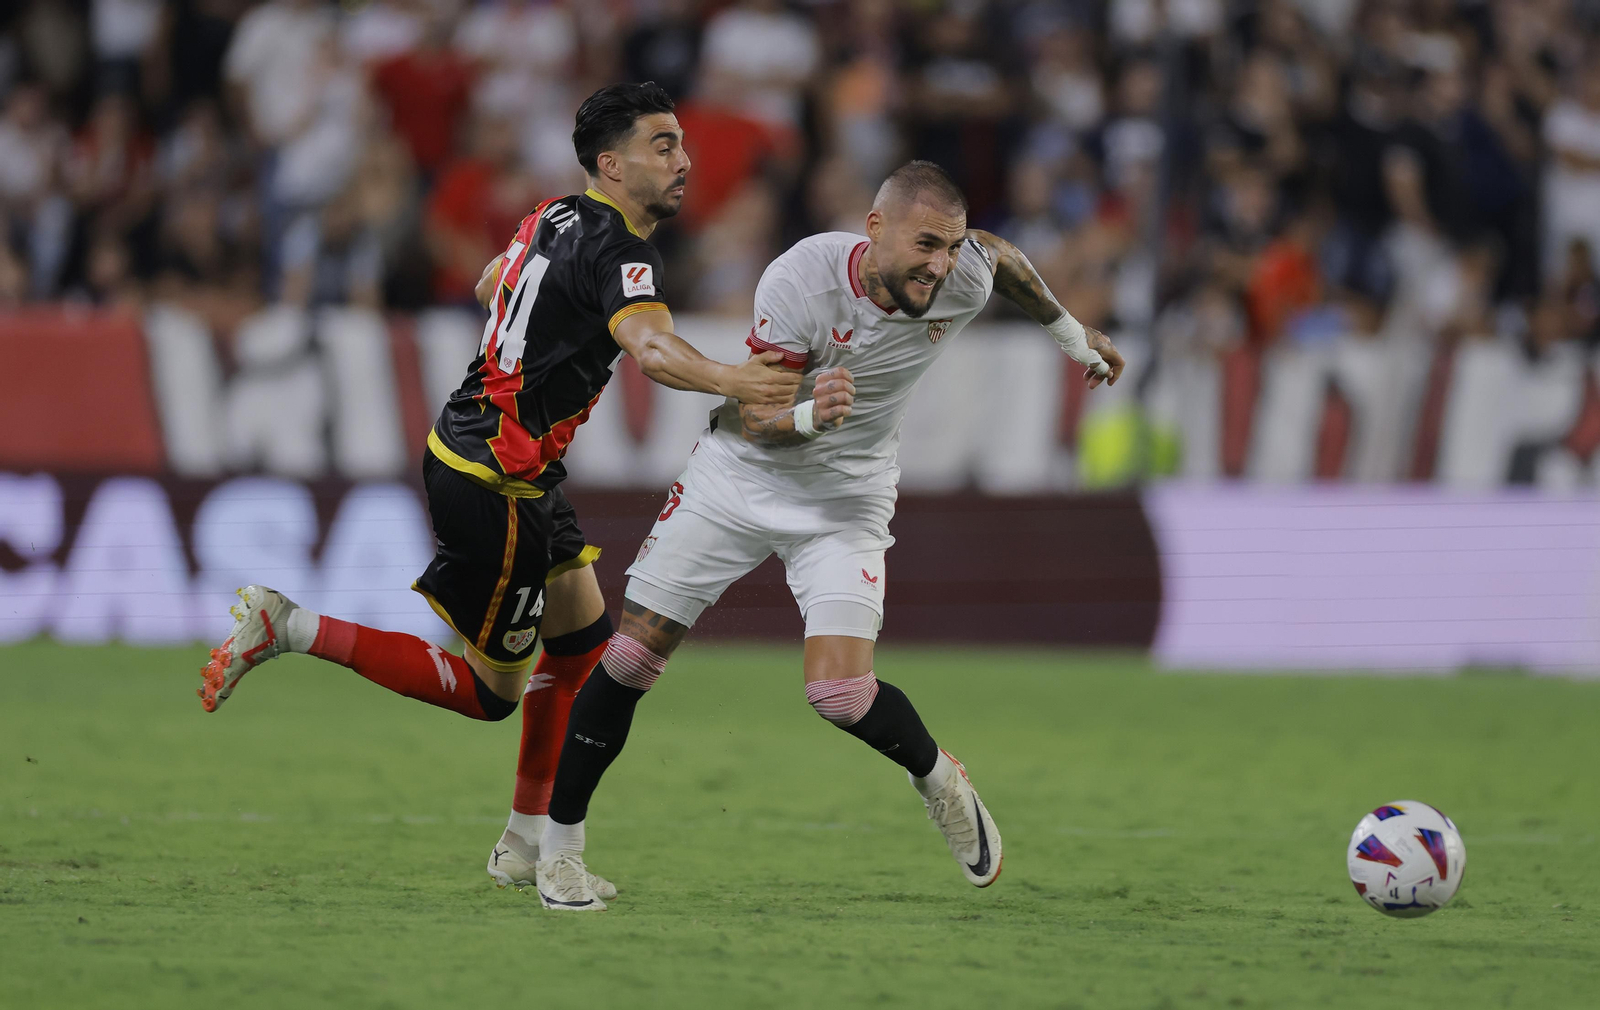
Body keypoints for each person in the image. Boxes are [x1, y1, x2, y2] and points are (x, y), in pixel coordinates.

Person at [196, 83, 801, 902]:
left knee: (584, 649)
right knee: (491, 694)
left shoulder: (552, 215)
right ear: (612, 165)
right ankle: (291, 625)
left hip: (508, 464)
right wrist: (739, 378)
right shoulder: (620, 251)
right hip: (494, 482)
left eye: (680, 143)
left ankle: (526, 844)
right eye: (663, 146)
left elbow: (493, 284)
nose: (684, 161)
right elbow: (654, 352)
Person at [526, 160, 1125, 911]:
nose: (939, 267)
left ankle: (939, 778)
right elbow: (751, 413)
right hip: (739, 478)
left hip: (847, 500)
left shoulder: (962, 275)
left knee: (840, 694)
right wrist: (811, 414)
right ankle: (559, 854)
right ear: (875, 231)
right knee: (632, 655)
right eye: (926, 245)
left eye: (950, 247)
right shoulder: (803, 279)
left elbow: (999, 259)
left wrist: (1071, 335)